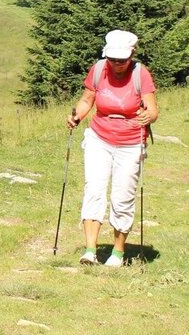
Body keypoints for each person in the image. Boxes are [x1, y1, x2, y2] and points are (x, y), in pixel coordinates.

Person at [65, 30, 158, 267]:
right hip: (99, 137)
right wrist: (77, 117)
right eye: (113, 59)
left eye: (122, 60)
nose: (117, 64)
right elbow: (87, 99)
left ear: (131, 55)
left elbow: (153, 110)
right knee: (94, 190)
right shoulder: (98, 70)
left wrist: (148, 116)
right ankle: (90, 250)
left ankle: (117, 252)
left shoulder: (140, 74)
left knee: (122, 196)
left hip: (130, 142)